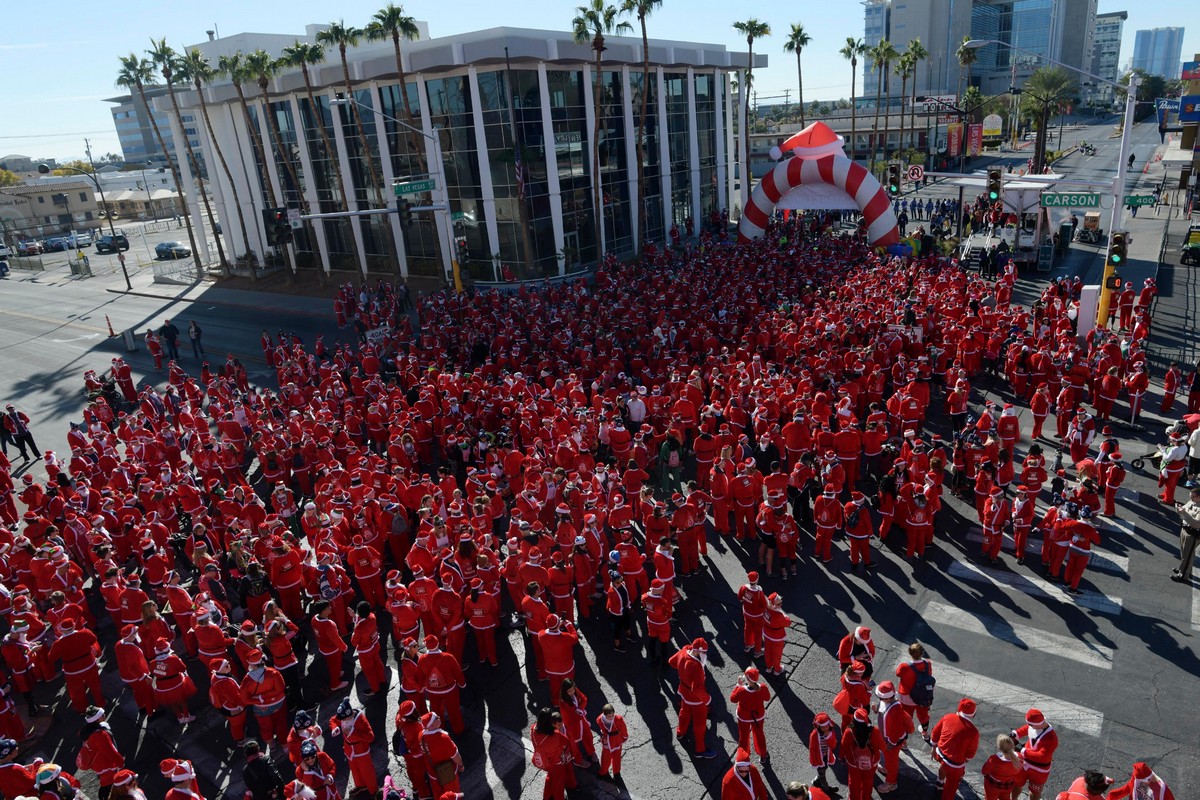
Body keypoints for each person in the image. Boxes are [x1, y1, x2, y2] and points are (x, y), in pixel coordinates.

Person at [668, 637, 717, 758]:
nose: (705, 654)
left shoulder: (684, 650)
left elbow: (671, 661)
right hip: (696, 700)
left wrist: (683, 672)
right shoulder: (696, 666)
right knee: (699, 723)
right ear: (699, 651)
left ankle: (681, 732)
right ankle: (700, 750)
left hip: (683, 692)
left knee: (684, 712)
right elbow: (697, 690)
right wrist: (708, 700)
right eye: (704, 652)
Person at [930, 698, 980, 799]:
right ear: (973, 715)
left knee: (943, 767)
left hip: (940, 753)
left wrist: (933, 746)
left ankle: (939, 783)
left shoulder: (947, 717)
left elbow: (935, 731)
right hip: (955, 763)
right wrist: (967, 759)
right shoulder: (974, 732)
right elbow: (971, 751)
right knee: (951, 787)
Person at [75, 706, 123, 800]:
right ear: (97, 718)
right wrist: (120, 762)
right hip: (106, 765)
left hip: (98, 765)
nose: (104, 716)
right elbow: (110, 752)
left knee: (106, 783)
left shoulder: (87, 731)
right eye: (102, 715)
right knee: (110, 784)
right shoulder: (100, 735)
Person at [1012, 708, 1058, 800]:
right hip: (1024, 762)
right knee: (1016, 784)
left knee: (1035, 792)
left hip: (1039, 769)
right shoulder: (1034, 726)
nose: (1029, 726)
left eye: (1030, 724)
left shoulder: (1051, 738)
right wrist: (1016, 734)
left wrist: (1022, 750)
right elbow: (1027, 728)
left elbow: (1042, 756)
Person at [530, 707, 575, 800]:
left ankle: (547, 796)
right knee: (559, 784)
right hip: (556, 763)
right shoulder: (556, 735)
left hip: (544, 762)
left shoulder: (533, 729)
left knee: (550, 777)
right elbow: (566, 742)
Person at [841, 708, 884, 800]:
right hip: (871, 762)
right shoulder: (875, 731)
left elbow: (843, 747)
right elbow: (882, 747)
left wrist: (841, 757)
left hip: (853, 763)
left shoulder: (849, 732)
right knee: (868, 782)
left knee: (854, 783)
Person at [980, 734, 1025, 800]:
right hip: (1008, 785)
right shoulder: (1020, 757)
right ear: (1012, 745)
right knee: (1005, 797)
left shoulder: (994, 759)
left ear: (999, 748)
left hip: (993, 785)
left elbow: (984, 771)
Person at [1172, 485, 1200, 583]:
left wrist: (1184, 513)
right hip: (1184, 529)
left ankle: (1183, 575)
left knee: (1187, 555)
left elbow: (1196, 523)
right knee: (1184, 552)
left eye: (1193, 497)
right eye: (1190, 496)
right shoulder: (1191, 502)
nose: (1191, 499)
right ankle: (1185, 569)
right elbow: (1184, 508)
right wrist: (1179, 508)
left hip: (1193, 534)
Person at [1105, 762, 1174, 800]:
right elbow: (1123, 790)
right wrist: (1111, 796)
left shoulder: (1163, 789)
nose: (1147, 782)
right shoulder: (1135, 782)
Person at [595, 703, 628, 782]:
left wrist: (624, 737)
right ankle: (603, 771)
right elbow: (602, 728)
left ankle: (616, 772)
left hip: (617, 739)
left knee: (617, 756)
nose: (611, 717)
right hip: (607, 740)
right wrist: (603, 734)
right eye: (609, 716)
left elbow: (623, 728)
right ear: (604, 714)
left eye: (612, 715)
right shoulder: (600, 719)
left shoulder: (618, 719)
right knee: (605, 757)